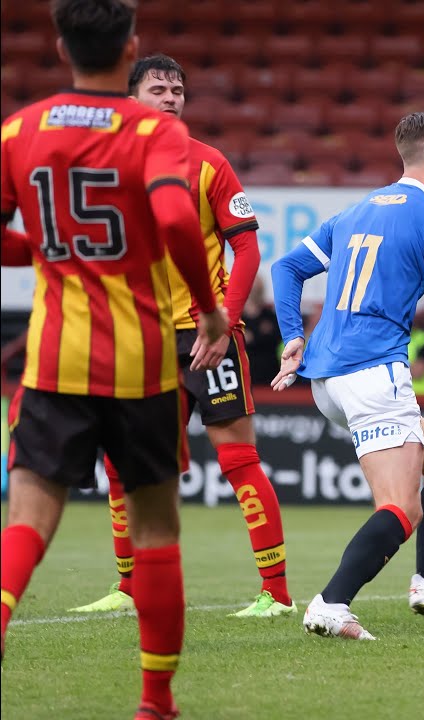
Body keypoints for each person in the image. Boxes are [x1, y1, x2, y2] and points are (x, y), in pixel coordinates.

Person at [0, 2, 228, 718]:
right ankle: (156, 705)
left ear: (61, 44)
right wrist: (210, 305)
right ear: (130, 48)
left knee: (28, 520)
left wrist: (41, 246)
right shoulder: (158, 130)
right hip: (141, 364)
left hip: (55, 358)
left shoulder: (18, 130)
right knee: (157, 530)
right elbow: (171, 215)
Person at [67, 53, 294, 619]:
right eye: (158, 88)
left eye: (177, 90)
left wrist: (227, 321)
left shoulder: (210, 163)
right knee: (122, 463)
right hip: (139, 336)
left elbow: (247, 247)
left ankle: (277, 594)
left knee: (238, 458)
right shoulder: (111, 165)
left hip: (206, 337)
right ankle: (130, 585)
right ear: (130, 98)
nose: (170, 97)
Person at [271, 110, 424, 640]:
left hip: (327, 376)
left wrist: (292, 336)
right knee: (401, 505)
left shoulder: (358, 210)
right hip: (373, 369)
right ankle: (330, 603)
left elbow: (286, 268)